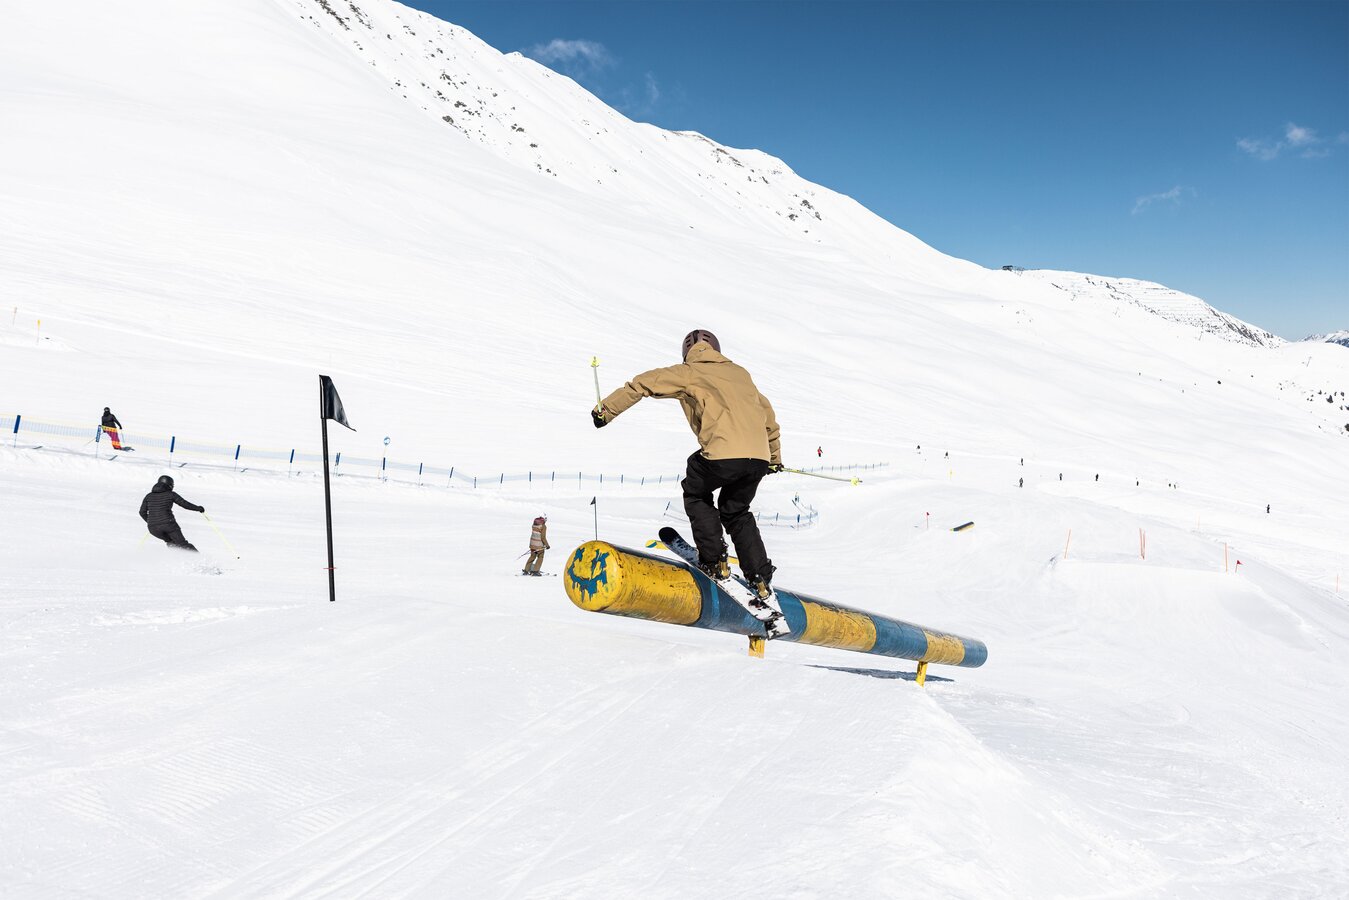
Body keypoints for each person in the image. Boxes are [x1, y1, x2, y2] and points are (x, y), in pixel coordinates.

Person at [592, 329, 782, 600]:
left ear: (686, 352)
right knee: (736, 511)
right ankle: (760, 575)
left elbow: (642, 384)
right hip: (757, 459)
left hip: (723, 454)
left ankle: (714, 560)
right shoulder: (741, 374)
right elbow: (768, 417)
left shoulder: (689, 371)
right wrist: (774, 459)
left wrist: (605, 411)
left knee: (696, 491)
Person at [139, 475, 204, 551]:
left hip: (153, 528)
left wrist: (151, 521)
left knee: (171, 543)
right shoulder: (171, 494)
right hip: (168, 525)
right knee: (182, 544)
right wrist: (198, 508)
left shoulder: (148, 496)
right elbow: (185, 504)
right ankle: (197, 557)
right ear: (170, 485)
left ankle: (176, 557)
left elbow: (142, 512)